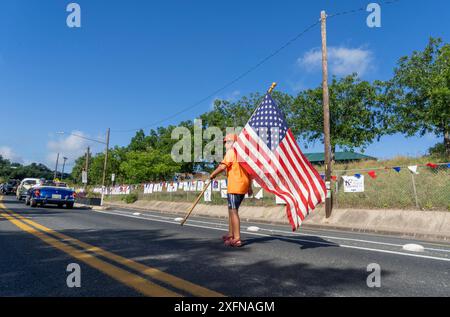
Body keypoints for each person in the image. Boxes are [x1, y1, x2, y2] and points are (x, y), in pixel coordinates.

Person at [209, 134, 252, 247]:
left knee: (233, 211)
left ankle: (237, 238)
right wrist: (250, 187)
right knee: (231, 210)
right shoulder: (243, 154)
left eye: (228, 142)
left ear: (234, 143)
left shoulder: (231, 152)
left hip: (235, 186)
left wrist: (212, 174)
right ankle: (231, 234)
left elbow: (222, 167)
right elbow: (249, 172)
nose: (225, 145)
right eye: (225, 143)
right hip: (243, 185)